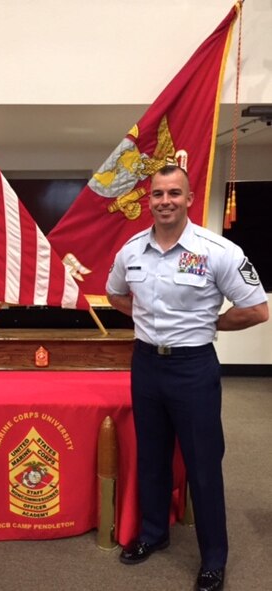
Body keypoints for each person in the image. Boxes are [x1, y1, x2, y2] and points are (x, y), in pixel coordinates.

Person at [106, 164, 269, 591]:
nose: (165, 201)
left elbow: (256, 309)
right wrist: (144, 317)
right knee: (152, 458)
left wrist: (209, 326)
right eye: (158, 194)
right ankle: (154, 534)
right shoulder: (131, 251)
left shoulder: (219, 251)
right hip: (146, 366)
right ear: (149, 200)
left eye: (174, 193)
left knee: (202, 465)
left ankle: (213, 559)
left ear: (189, 198)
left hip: (193, 368)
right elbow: (115, 294)